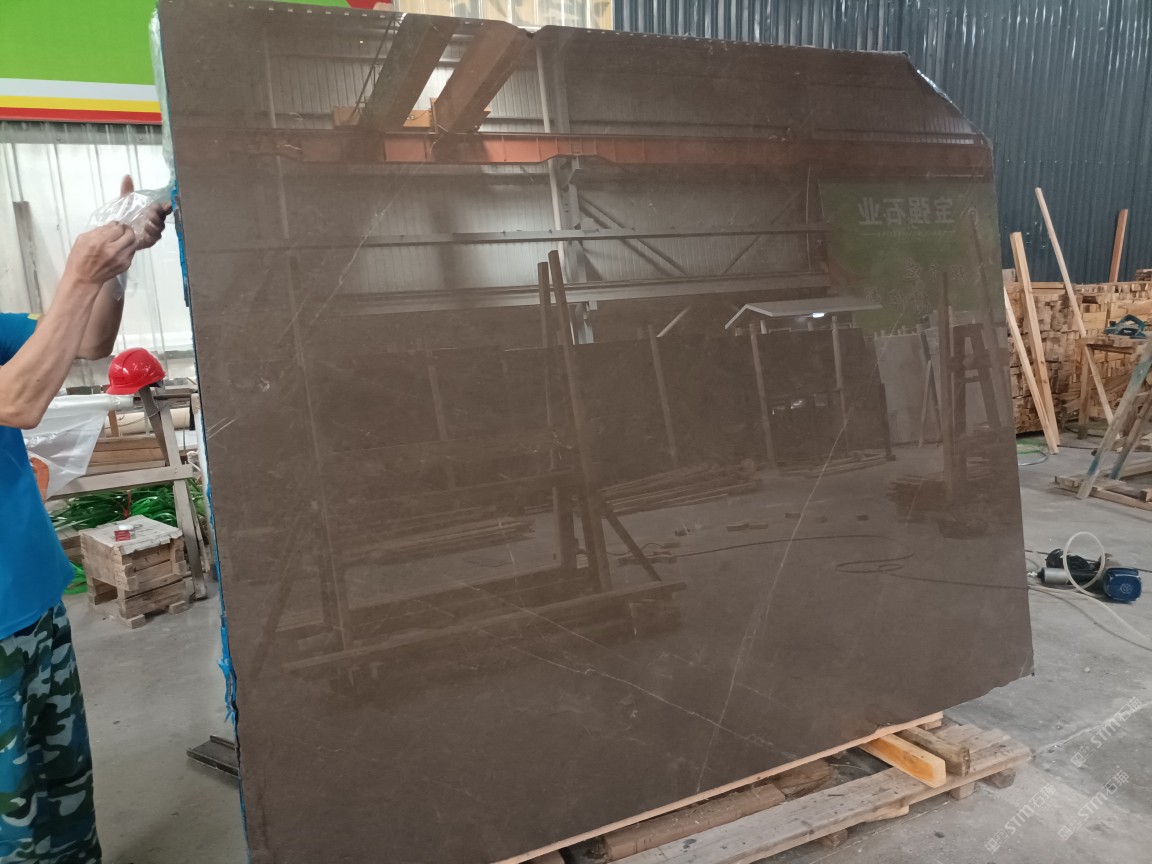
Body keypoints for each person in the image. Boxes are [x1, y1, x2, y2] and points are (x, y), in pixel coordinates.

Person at [0, 177, 168, 864]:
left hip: (33, 597)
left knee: (62, 788)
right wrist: (78, 271)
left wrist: (114, 265)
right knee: (14, 820)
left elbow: (88, 340)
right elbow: (17, 401)